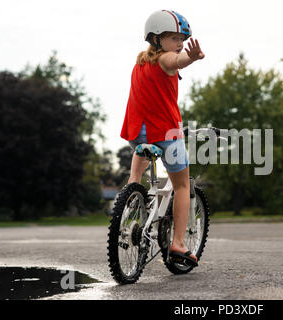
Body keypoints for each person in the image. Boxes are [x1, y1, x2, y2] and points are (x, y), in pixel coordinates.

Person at [120, 10, 205, 267]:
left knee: (142, 157)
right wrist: (190, 57)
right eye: (172, 37)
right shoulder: (166, 59)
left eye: (182, 38)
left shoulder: (140, 63)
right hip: (165, 132)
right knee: (182, 185)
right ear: (157, 39)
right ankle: (178, 243)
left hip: (137, 133)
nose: (179, 43)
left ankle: (132, 193)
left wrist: (184, 56)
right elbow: (175, 61)